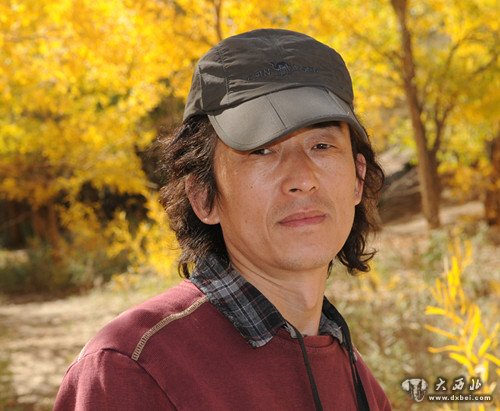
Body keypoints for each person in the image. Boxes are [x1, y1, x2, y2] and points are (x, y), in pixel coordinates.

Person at [55, 28, 390, 410]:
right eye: (261, 150)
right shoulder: (132, 370)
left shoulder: (358, 379)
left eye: (321, 145)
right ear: (203, 195)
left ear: (358, 179)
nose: (302, 178)